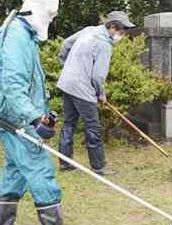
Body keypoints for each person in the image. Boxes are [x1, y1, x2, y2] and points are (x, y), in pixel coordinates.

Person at [0, 0, 87, 225]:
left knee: (14, 170)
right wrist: (34, 119)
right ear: (41, 10)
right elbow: (12, 84)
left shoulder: (21, 33)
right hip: (16, 119)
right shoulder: (17, 36)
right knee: (39, 166)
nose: (52, 20)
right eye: (51, 15)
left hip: (14, 116)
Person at [57, 11, 135, 175]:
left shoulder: (89, 30)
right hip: (82, 88)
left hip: (66, 83)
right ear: (112, 27)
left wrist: (66, 65)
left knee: (69, 122)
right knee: (93, 127)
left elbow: (66, 44)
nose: (121, 36)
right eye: (121, 32)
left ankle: (65, 162)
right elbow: (98, 76)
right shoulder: (104, 44)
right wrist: (101, 94)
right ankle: (99, 166)